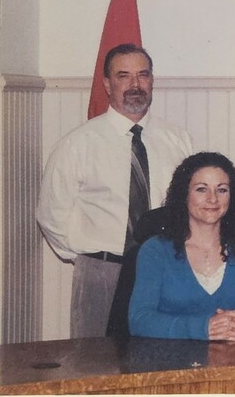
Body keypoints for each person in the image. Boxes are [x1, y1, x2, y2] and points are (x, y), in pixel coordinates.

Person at [36, 43, 193, 338]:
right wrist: (91, 256)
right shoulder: (78, 143)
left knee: (162, 361)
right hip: (103, 274)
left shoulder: (178, 140)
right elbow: (51, 215)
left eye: (143, 75)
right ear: (107, 84)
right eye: (123, 76)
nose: (135, 85)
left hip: (165, 269)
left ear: (152, 81)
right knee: (95, 364)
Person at [128, 152, 235, 339]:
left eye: (222, 189)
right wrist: (204, 328)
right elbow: (140, 320)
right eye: (201, 189)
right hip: (171, 360)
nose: (212, 199)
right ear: (184, 194)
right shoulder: (155, 250)